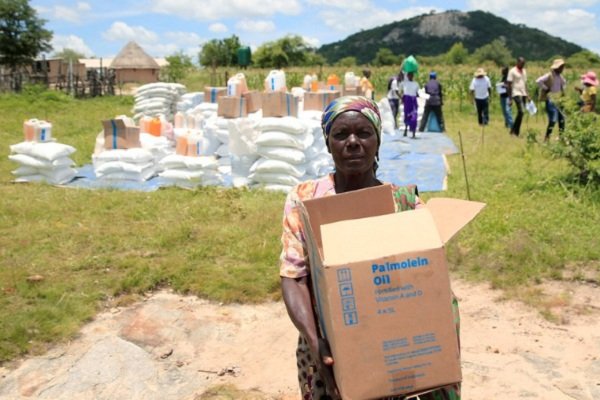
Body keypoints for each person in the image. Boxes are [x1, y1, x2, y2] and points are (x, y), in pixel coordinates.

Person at [279, 95, 461, 400]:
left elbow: (426, 282)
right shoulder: (305, 200)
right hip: (326, 352)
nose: (352, 142)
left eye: (363, 133)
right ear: (327, 143)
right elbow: (293, 276)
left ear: (377, 140)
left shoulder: (403, 205)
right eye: (341, 135)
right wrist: (315, 342)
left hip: (393, 354)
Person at [536, 59, 567, 141]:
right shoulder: (549, 75)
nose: (562, 69)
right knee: (553, 120)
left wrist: (563, 91)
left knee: (562, 119)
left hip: (559, 100)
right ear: (557, 67)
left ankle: (561, 138)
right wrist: (546, 88)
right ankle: (547, 138)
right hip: (551, 100)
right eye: (561, 67)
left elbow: (564, 83)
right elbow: (538, 81)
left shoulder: (560, 77)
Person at [507, 57, 529, 137]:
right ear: (518, 62)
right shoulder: (512, 71)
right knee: (521, 111)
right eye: (522, 63)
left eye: (524, 64)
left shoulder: (524, 71)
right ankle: (516, 132)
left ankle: (513, 131)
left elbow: (525, 83)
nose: (523, 65)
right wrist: (510, 99)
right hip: (515, 93)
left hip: (523, 93)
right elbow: (508, 85)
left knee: (521, 113)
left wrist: (528, 95)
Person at [400, 71, 420, 138]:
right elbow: (401, 89)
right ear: (407, 76)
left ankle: (413, 132)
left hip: (413, 100)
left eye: (411, 75)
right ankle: (406, 130)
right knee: (407, 116)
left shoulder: (416, 84)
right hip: (407, 100)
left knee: (414, 116)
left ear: (413, 76)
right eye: (409, 75)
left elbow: (417, 93)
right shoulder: (404, 83)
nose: (410, 76)